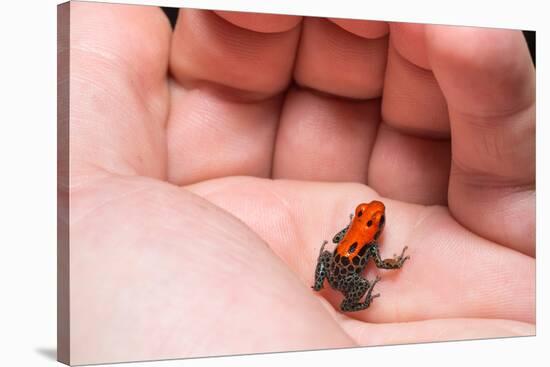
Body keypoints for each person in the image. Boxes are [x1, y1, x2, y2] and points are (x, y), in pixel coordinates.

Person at [64, 2, 535, 364]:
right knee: (354, 279)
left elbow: (354, 249)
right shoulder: (369, 249)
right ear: (363, 223)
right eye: (369, 217)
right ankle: (346, 295)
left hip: (333, 264)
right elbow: (385, 262)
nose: (371, 217)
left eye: (373, 218)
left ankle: (323, 285)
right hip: (342, 268)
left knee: (335, 262)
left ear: (365, 225)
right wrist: (373, 285)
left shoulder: (355, 243)